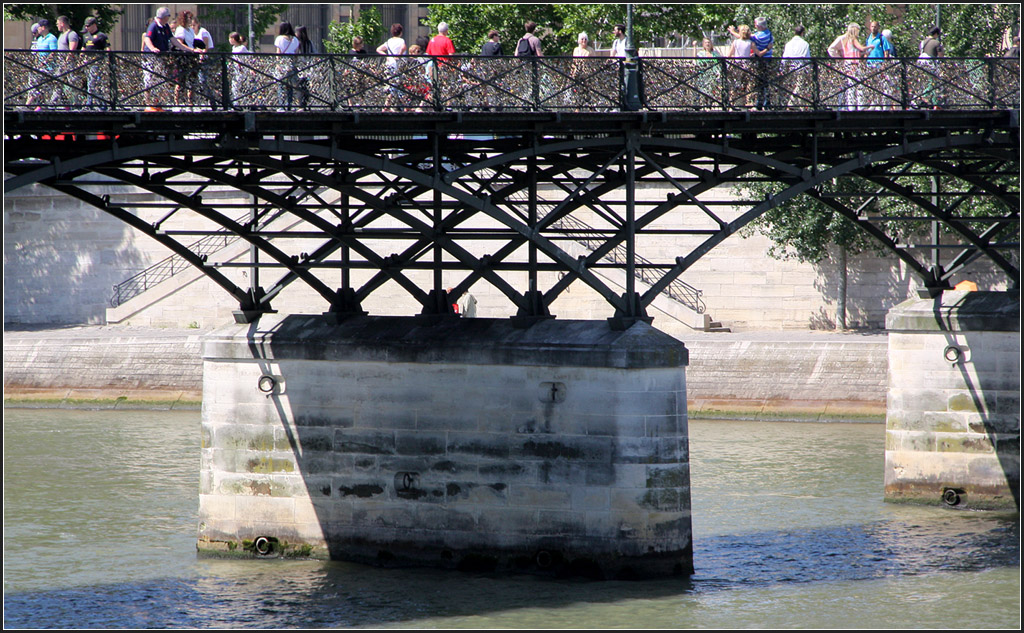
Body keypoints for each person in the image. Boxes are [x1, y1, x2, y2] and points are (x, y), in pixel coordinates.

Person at [143, 8, 196, 112]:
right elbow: (147, 38)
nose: (168, 19)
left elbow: (173, 40)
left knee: (160, 80)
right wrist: (153, 48)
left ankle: (157, 104)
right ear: (164, 17)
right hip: (151, 57)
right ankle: (148, 104)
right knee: (149, 80)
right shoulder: (153, 25)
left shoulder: (165, 26)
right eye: (168, 16)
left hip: (161, 57)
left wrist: (188, 49)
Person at [828, 23, 873, 110]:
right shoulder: (847, 39)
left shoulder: (847, 40)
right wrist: (839, 59)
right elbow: (831, 49)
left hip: (850, 63)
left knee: (851, 84)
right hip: (853, 64)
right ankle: (859, 105)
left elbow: (855, 52)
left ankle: (851, 106)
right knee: (858, 84)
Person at [376, 23, 407, 109]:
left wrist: (387, 56)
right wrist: (399, 55)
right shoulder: (401, 41)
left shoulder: (389, 41)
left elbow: (378, 49)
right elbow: (403, 47)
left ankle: (388, 105)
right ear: (400, 32)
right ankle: (404, 105)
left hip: (390, 64)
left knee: (392, 85)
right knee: (400, 84)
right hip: (399, 65)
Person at [81, 17, 109, 109]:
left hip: (97, 63)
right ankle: (92, 103)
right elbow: (83, 48)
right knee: (89, 82)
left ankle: (96, 104)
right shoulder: (86, 36)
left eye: (88, 26)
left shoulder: (101, 36)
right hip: (87, 62)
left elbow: (107, 49)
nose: (87, 28)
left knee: (95, 83)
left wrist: (107, 60)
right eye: (86, 26)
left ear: (94, 25)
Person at [782, 25, 811, 109]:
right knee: (799, 87)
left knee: (794, 87)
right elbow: (807, 58)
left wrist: (782, 68)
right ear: (802, 33)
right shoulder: (805, 44)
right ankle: (792, 104)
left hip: (790, 67)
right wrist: (808, 70)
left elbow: (785, 57)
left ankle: (799, 105)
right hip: (800, 67)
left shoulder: (789, 44)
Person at [274, 22, 301, 110]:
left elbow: (279, 52)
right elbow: (296, 53)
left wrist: (278, 64)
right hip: (292, 62)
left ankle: (281, 105)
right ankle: (290, 104)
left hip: (283, 62)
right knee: (290, 85)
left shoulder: (279, 39)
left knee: (281, 84)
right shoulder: (295, 39)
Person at [727, 24, 753, 108]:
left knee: (736, 85)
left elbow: (729, 55)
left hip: (738, 66)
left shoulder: (736, 42)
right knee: (746, 85)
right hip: (746, 66)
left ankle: (732, 103)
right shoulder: (750, 42)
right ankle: (747, 103)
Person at [695, 36, 722, 108]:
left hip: (713, 74)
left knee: (713, 89)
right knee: (704, 90)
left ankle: (712, 104)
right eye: (706, 43)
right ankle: (704, 104)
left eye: (709, 42)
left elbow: (720, 62)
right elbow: (695, 60)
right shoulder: (701, 54)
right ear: (703, 44)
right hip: (704, 74)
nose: (707, 44)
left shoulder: (715, 53)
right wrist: (694, 47)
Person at [294, 25, 315, 109]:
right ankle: (304, 104)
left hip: (299, 68)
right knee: (305, 87)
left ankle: (300, 105)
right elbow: (315, 53)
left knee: (299, 86)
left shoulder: (296, 43)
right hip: (307, 67)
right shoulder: (309, 43)